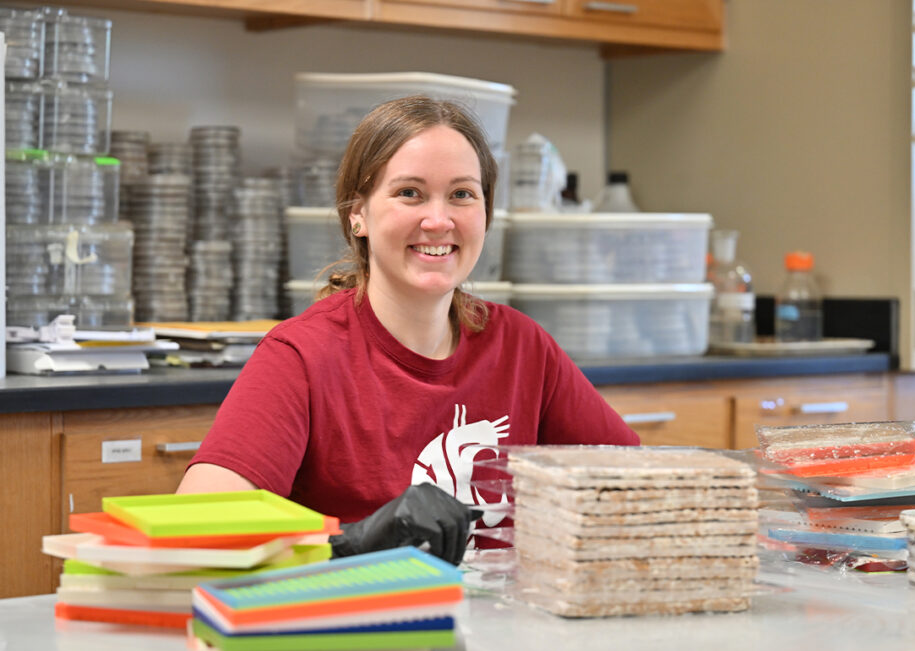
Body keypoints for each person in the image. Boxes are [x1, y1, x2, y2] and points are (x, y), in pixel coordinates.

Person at [177, 95, 640, 564]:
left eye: (462, 194)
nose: (439, 220)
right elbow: (195, 532)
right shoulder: (302, 356)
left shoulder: (523, 348)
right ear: (358, 213)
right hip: (362, 629)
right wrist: (352, 542)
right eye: (409, 193)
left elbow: (639, 490)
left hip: (500, 631)